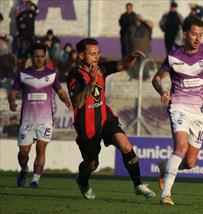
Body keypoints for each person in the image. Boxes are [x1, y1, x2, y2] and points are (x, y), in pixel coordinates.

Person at [152, 16, 203, 205]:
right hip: (179, 107)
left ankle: (164, 166)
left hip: (202, 112)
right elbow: (156, 79)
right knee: (181, 147)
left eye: (200, 35)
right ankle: (166, 195)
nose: (197, 38)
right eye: (194, 34)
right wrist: (162, 91)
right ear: (185, 33)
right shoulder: (173, 57)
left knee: (190, 162)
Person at [66, 38, 156, 200]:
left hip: (105, 118)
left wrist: (132, 56)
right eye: (92, 54)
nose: (97, 57)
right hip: (87, 127)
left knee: (125, 145)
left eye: (98, 53)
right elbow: (78, 103)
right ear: (81, 55)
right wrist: (92, 83)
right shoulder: (74, 76)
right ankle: (82, 181)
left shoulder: (101, 68)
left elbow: (123, 65)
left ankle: (138, 185)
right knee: (92, 164)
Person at [7, 43, 73, 188]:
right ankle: (24, 169)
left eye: (42, 57)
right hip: (27, 120)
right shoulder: (22, 74)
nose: (39, 59)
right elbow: (13, 92)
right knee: (24, 152)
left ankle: (35, 180)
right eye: (36, 57)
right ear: (31, 57)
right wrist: (12, 102)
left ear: (45, 57)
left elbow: (60, 91)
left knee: (41, 149)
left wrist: (66, 100)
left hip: (45, 120)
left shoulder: (52, 74)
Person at [126, 15, 153, 80]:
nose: (137, 21)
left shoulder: (146, 27)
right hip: (134, 48)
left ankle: (145, 76)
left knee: (144, 63)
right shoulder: (131, 28)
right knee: (135, 63)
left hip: (145, 49)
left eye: (139, 20)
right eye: (136, 19)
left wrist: (143, 19)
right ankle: (136, 76)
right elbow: (127, 38)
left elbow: (151, 24)